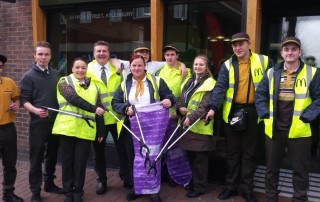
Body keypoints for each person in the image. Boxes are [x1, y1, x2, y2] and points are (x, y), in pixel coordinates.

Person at [205, 32, 273, 202]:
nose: (238, 47)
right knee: (233, 153)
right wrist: (213, 107)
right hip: (233, 113)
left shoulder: (264, 61)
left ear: (249, 44)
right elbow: (219, 88)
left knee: (249, 154)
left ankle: (247, 189)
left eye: (241, 44)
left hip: (254, 113)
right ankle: (230, 187)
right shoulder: (227, 65)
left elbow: (273, 85)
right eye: (234, 45)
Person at [255, 36, 320, 202]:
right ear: (282, 53)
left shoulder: (312, 73)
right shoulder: (271, 73)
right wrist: (264, 113)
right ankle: (271, 198)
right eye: (286, 49)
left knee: (300, 171)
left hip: (299, 130)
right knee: (271, 170)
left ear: (300, 52)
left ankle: (299, 199)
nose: (289, 52)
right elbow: (260, 95)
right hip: (274, 129)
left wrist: (306, 117)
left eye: (293, 49)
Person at [112, 54, 175, 202]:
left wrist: (168, 101)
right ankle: (136, 188)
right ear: (130, 67)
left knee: (153, 157)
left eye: (140, 65)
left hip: (153, 127)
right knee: (134, 158)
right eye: (134, 65)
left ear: (145, 66)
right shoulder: (124, 85)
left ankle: (153, 190)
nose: (137, 68)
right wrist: (125, 108)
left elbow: (170, 96)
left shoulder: (157, 81)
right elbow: (115, 103)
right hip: (132, 126)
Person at [52, 58, 105, 202]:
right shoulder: (64, 82)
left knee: (81, 164)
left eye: (83, 68)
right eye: (77, 67)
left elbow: (99, 109)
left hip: (86, 131)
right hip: (67, 128)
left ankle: (78, 193)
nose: (80, 70)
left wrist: (100, 130)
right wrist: (94, 108)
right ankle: (68, 194)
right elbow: (72, 98)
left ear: (86, 69)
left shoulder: (94, 86)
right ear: (72, 68)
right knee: (68, 163)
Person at [20, 41, 63, 202]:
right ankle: (35, 191)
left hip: (55, 122)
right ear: (35, 56)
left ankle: (49, 184)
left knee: (52, 155)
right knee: (36, 158)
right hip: (38, 123)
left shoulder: (56, 74)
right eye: (40, 54)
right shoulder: (28, 76)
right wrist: (36, 111)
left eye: (46, 54)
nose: (43, 57)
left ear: (50, 56)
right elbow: (24, 100)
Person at [86, 40, 130, 194]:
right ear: (93, 53)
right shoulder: (87, 69)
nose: (101, 53)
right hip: (99, 119)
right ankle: (101, 180)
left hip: (118, 117)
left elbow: (142, 63)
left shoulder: (117, 66)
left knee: (122, 150)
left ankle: (126, 177)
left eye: (104, 51)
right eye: (98, 51)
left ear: (109, 53)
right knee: (98, 153)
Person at [176, 55, 215, 198]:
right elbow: (180, 100)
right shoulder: (188, 81)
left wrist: (189, 118)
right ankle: (193, 182)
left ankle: (200, 187)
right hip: (187, 128)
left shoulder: (211, 84)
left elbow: (205, 107)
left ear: (206, 67)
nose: (198, 67)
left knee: (200, 161)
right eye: (196, 64)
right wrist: (179, 109)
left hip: (200, 128)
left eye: (201, 65)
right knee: (191, 158)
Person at [157, 45, 192, 187]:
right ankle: (165, 174)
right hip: (161, 115)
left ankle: (176, 176)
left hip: (176, 115)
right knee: (161, 146)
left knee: (175, 147)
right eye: (167, 55)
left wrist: (177, 112)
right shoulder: (159, 71)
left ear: (177, 56)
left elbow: (186, 94)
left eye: (172, 54)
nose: (170, 57)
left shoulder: (185, 72)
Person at [0, 55, 23, 202]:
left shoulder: (9, 82)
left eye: (0, 65)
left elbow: (17, 98)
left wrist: (17, 104)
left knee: (10, 164)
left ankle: (8, 194)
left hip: (8, 129)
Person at [118, 44, 188, 77]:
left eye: (147, 52)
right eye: (142, 52)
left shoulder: (153, 65)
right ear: (134, 54)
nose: (145, 54)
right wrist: (117, 65)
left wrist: (182, 65)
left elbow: (170, 61)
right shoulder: (127, 64)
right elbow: (111, 59)